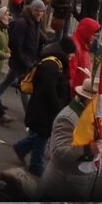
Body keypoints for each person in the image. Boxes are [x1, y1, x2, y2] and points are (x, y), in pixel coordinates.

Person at [39, 76, 102, 201]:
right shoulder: (68, 118)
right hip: (62, 186)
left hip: (80, 181)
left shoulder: (92, 116)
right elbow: (58, 153)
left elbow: (96, 141)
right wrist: (88, 150)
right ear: (90, 100)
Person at [12, 36, 76, 177]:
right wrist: (59, 105)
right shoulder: (52, 66)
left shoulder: (56, 63)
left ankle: (21, 148)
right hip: (45, 109)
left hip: (44, 108)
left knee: (42, 135)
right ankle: (35, 165)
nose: (72, 57)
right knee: (43, 135)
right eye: (71, 54)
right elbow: (49, 90)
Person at [3, 0, 46, 108]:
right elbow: (17, 44)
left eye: (42, 11)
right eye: (37, 10)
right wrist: (23, 60)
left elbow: (38, 41)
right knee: (24, 86)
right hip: (22, 60)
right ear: (31, 10)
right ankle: (28, 112)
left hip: (28, 59)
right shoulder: (23, 23)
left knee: (9, 80)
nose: (39, 13)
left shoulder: (36, 23)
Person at [68, 17, 102, 91]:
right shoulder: (75, 46)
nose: (94, 38)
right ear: (86, 32)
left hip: (79, 89)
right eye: (93, 35)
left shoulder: (83, 44)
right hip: (75, 91)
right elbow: (70, 74)